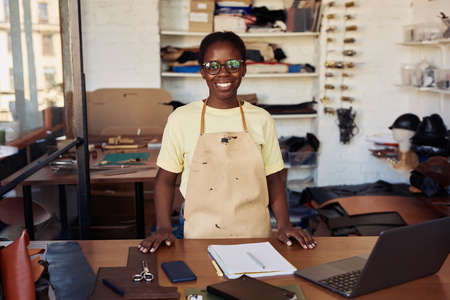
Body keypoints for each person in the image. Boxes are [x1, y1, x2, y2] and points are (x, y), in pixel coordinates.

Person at [138, 31, 316, 253]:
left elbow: (273, 179)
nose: (223, 73)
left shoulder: (261, 119)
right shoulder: (181, 119)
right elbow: (164, 180)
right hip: (199, 239)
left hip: (256, 238)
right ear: (202, 71)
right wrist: (164, 227)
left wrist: (284, 225)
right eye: (213, 66)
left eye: (232, 64)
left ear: (243, 69)